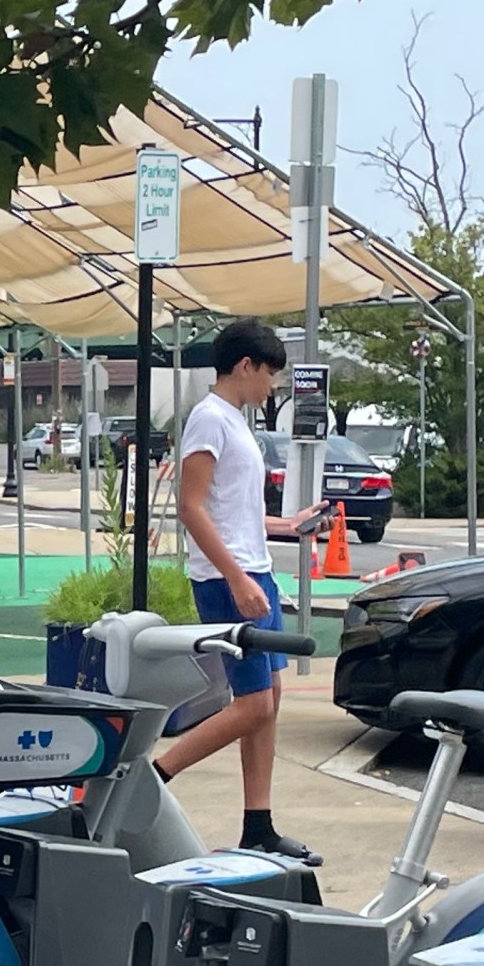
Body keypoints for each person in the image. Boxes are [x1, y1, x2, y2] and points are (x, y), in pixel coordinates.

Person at [153, 319, 330, 863]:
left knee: (268, 702)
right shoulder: (210, 420)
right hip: (231, 581)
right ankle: (154, 775)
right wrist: (236, 577)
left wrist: (288, 524)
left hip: (255, 572)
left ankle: (259, 823)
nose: (272, 387)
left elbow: (235, 512)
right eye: (270, 374)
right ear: (245, 366)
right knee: (253, 705)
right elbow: (191, 506)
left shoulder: (233, 420)